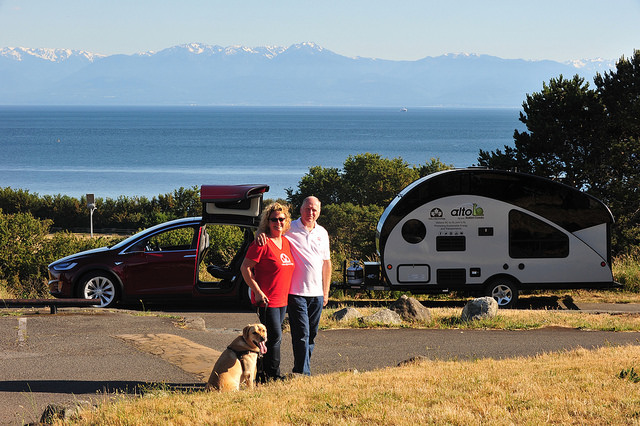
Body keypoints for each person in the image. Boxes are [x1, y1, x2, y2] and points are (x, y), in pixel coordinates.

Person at [240, 202, 295, 382]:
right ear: (267, 221)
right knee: (275, 337)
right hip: (266, 299)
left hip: (282, 300)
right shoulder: (261, 243)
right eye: (274, 220)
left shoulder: (286, 242)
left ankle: (261, 373)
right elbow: (245, 268)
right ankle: (273, 375)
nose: (278, 223)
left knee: (270, 338)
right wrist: (257, 291)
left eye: (281, 219)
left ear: (286, 221)